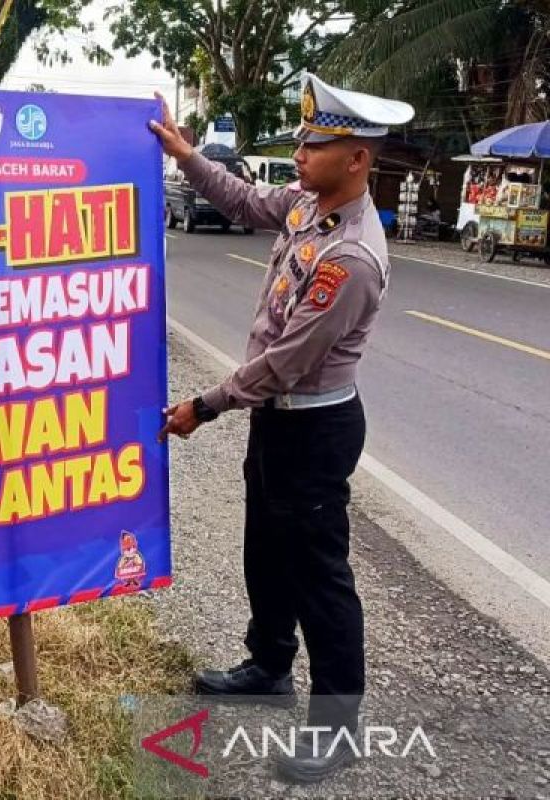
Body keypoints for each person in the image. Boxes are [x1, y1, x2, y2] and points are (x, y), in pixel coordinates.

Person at [151, 73, 414, 784]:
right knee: (266, 549)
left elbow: (286, 364)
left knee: (321, 580)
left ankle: (337, 730)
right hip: (279, 423)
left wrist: (202, 407)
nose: (299, 152)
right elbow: (240, 197)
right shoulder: (308, 207)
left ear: (357, 157)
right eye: (300, 140)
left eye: (315, 142)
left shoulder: (351, 256)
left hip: (315, 428)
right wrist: (185, 153)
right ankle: (269, 665)